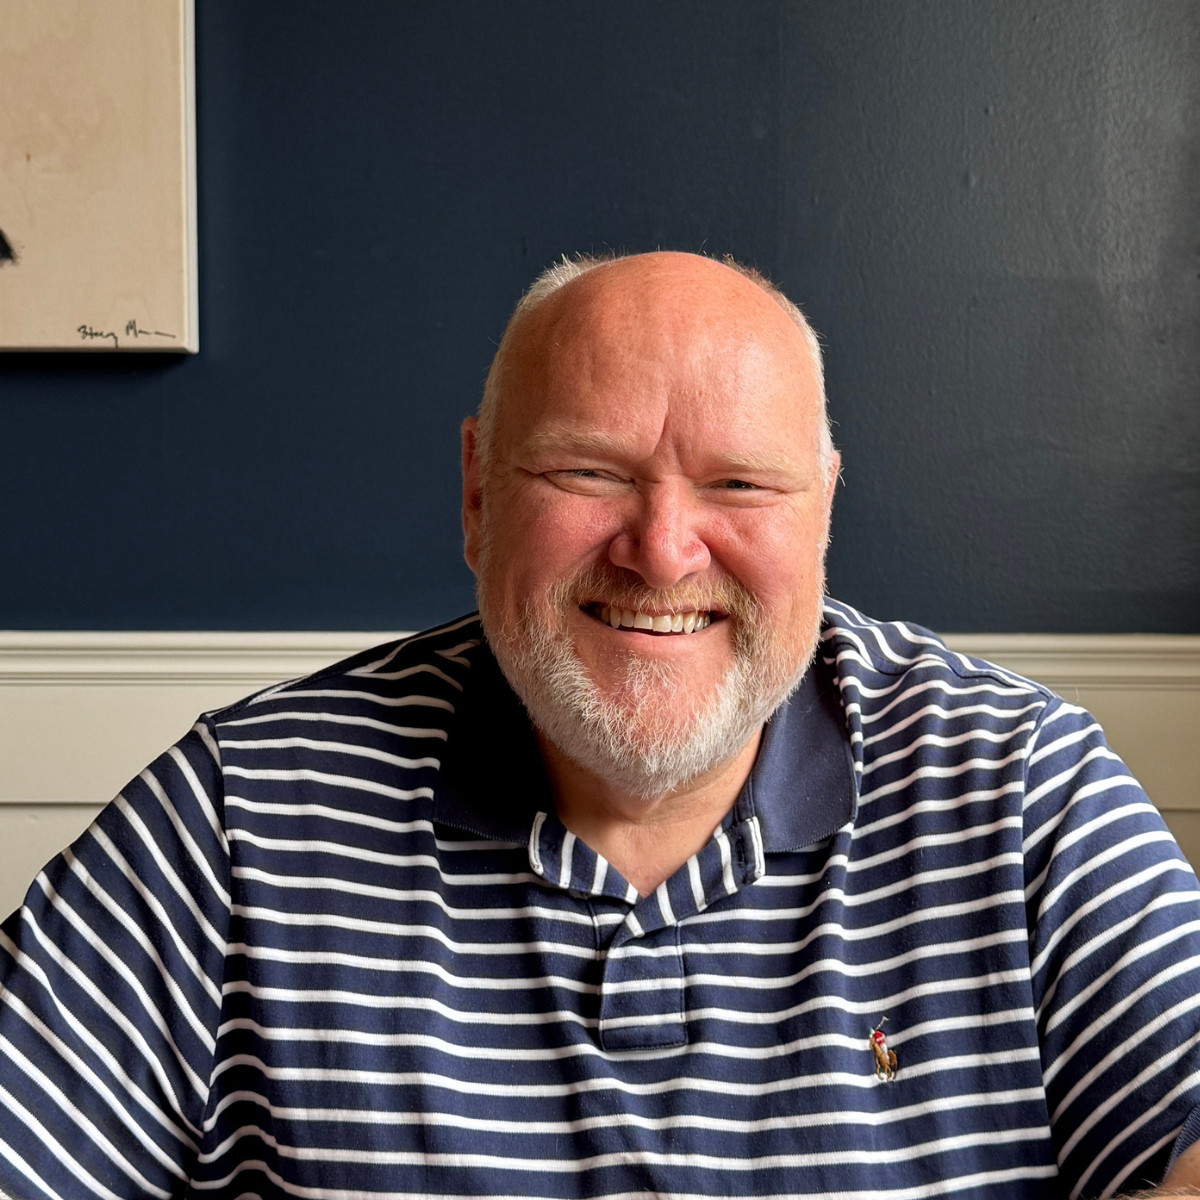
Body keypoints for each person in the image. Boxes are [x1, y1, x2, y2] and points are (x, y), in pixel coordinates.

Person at [2, 251, 1199, 1200]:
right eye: (588, 473)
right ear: (478, 494)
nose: (662, 551)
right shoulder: (241, 814)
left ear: (822, 511)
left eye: (739, 485)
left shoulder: (1016, 785)